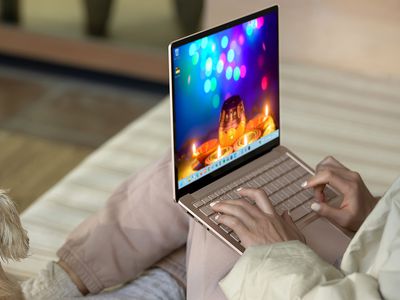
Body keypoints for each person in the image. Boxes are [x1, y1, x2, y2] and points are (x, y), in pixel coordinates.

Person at [21, 153, 398, 299]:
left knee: (199, 183)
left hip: (305, 284)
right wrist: (375, 217)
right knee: (202, 177)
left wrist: (283, 255)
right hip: (346, 269)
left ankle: (164, 280)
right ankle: (65, 279)